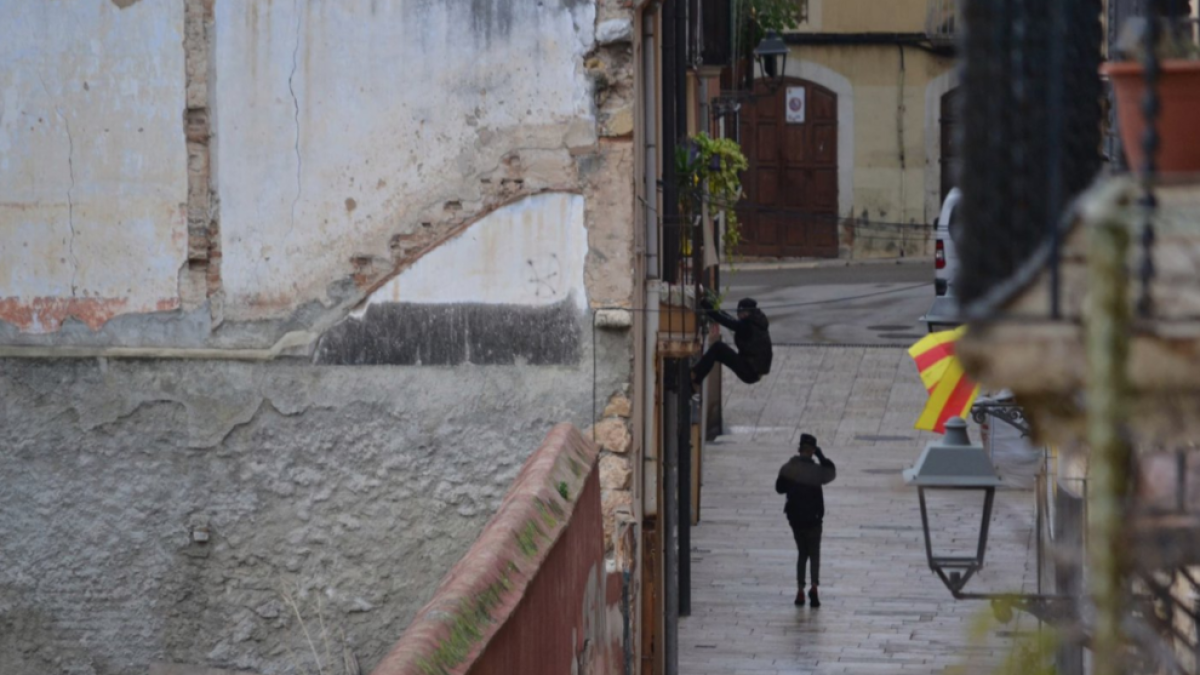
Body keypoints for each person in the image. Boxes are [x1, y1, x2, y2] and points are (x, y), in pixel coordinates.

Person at [775, 433, 836, 607]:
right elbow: (831, 474)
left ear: (799, 449)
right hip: (814, 519)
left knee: (802, 553)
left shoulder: (791, 468)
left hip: (796, 519)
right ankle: (814, 587)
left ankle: (800, 590)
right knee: (814, 553)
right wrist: (822, 457)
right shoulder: (817, 471)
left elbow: (779, 488)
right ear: (812, 451)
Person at [691, 297, 773, 389]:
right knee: (717, 353)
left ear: (745, 313)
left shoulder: (747, 326)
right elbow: (728, 318)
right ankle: (696, 382)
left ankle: (694, 374)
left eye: (739, 314)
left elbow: (723, 320)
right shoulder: (756, 321)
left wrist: (703, 302)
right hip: (753, 369)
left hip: (750, 370)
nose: (738, 316)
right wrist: (711, 305)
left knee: (718, 347)